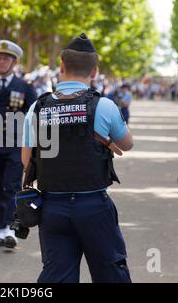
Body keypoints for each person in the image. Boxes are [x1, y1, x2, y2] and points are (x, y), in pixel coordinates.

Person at [22, 33, 134, 283]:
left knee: (57, 276)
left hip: (52, 207)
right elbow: (127, 143)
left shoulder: (37, 108)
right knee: (111, 273)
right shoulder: (104, 105)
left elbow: (26, 160)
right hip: (94, 205)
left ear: (61, 67)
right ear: (94, 71)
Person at [0, 40, 37, 249]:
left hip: (14, 143)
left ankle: (12, 230)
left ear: (14, 63)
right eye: (0, 58)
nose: (2, 62)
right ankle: (0, 229)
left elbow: (33, 114)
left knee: (12, 186)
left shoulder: (24, 86)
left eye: (6, 59)